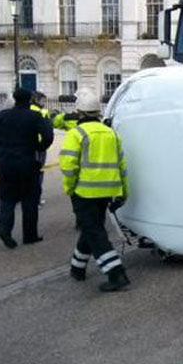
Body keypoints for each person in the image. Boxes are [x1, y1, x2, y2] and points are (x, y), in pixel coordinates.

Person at [60, 89, 131, 292]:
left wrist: (69, 188)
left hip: (84, 192)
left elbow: (68, 165)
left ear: (79, 112)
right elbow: (121, 164)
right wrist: (123, 191)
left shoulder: (77, 133)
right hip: (108, 191)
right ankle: (77, 267)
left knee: (94, 232)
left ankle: (116, 274)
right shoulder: (111, 133)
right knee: (92, 228)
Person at [0, 88, 54, 248]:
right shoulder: (35, 116)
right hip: (28, 161)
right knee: (30, 199)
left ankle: (4, 228)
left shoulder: (1, 116)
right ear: (30, 99)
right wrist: (39, 147)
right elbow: (48, 136)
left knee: (7, 199)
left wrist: (4, 147)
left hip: (6, 163)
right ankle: (30, 234)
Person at [30, 91, 50, 205]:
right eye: (42, 100)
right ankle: (36, 199)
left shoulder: (29, 110)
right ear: (36, 100)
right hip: (39, 145)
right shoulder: (41, 112)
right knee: (39, 172)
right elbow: (47, 131)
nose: (44, 102)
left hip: (29, 146)